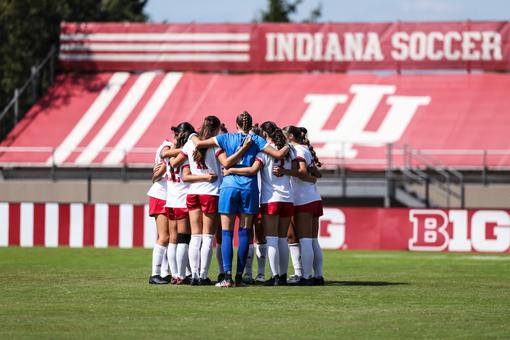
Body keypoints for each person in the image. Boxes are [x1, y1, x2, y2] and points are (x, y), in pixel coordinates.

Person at [194, 111, 289, 288]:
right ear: (250, 124)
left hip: (229, 187)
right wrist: (288, 145)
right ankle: (239, 277)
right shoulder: (258, 140)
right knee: (245, 233)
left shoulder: (225, 138)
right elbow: (277, 155)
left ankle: (227, 277)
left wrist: (192, 135)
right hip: (249, 188)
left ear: (236, 124)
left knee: (227, 234)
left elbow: (199, 143)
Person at [169, 116, 252, 285]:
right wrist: (243, 149)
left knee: (195, 236)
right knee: (208, 237)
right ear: (216, 130)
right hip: (212, 192)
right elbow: (227, 163)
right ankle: (203, 275)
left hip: (193, 193)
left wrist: (170, 150)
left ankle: (193, 276)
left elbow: (174, 163)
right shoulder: (215, 145)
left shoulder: (190, 144)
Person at [224, 121, 296, 285]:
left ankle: (275, 277)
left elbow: (252, 170)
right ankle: (283, 275)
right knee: (283, 239)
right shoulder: (289, 151)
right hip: (288, 199)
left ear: (265, 134)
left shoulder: (263, 153)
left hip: (270, 200)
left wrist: (231, 169)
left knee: (271, 239)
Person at [274, 126, 324, 286]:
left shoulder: (298, 151)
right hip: (312, 197)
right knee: (311, 240)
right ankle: (317, 276)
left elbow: (302, 172)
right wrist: (311, 176)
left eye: (283, 136)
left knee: (305, 240)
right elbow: (316, 175)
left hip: (303, 199)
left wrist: (285, 172)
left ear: (289, 137)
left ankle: (306, 276)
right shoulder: (304, 149)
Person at [161, 122, 196, 285]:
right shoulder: (186, 154)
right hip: (182, 200)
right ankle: (181, 275)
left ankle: (175, 274)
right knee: (183, 239)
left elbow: (163, 154)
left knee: (173, 240)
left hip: (171, 200)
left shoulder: (168, 152)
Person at [147, 138, 176, 284]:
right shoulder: (168, 146)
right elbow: (165, 156)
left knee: (168, 237)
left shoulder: (168, 145)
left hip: (165, 195)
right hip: (160, 195)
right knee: (164, 237)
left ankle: (164, 273)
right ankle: (155, 274)